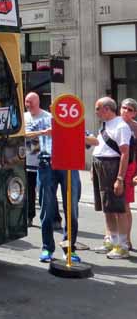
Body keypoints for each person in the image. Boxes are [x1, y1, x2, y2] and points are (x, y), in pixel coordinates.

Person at [24, 92, 80, 263]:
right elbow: (27, 142)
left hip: (68, 166)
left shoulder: (73, 122)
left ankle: (69, 249)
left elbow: (91, 141)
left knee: (72, 209)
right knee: (46, 209)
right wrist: (44, 133)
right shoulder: (41, 121)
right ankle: (47, 248)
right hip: (46, 164)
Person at [86, 97, 132, 259]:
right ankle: (112, 240)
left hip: (111, 167)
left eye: (98, 108)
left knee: (118, 208)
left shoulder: (121, 126)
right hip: (100, 165)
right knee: (106, 207)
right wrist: (93, 167)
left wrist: (120, 178)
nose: (96, 112)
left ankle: (122, 245)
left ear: (107, 109)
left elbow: (125, 153)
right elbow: (100, 146)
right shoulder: (105, 125)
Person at [119, 98, 137, 251]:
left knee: (125, 204)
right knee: (110, 206)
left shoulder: (136, 128)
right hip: (111, 166)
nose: (126, 111)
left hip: (130, 167)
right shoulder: (113, 123)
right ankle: (111, 237)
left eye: (130, 109)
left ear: (134, 113)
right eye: (124, 107)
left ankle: (127, 239)